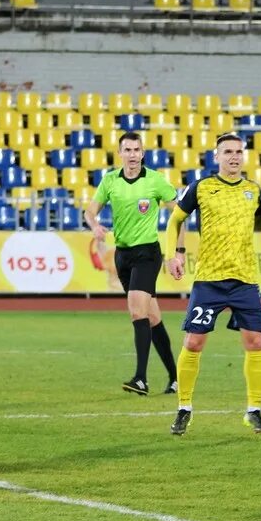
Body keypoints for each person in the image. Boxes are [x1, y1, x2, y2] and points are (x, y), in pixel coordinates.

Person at [163, 133, 261, 436]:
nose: (234, 157)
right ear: (216, 156)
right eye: (227, 152)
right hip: (209, 279)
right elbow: (174, 221)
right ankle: (184, 408)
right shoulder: (202, 188)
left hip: (245, 279)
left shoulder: (251, 189)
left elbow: (259, 224)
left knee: (255, 342)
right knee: (194, 342)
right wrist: (173, 256)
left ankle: (254, 410)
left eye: (238, 152)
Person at [84, 131, 180, 396]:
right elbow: (90, 211)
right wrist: (94, 225)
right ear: (120, 153)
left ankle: (141, 379)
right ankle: (176, 377)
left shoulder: (155, 181)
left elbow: (179, 214)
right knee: (152, 317)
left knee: (137, 312)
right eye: (127, 150)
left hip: (147, 254)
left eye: (137, 150)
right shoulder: (110, 181)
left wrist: (177, 251)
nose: (133, 155)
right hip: (123, 255)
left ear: (143, 153)